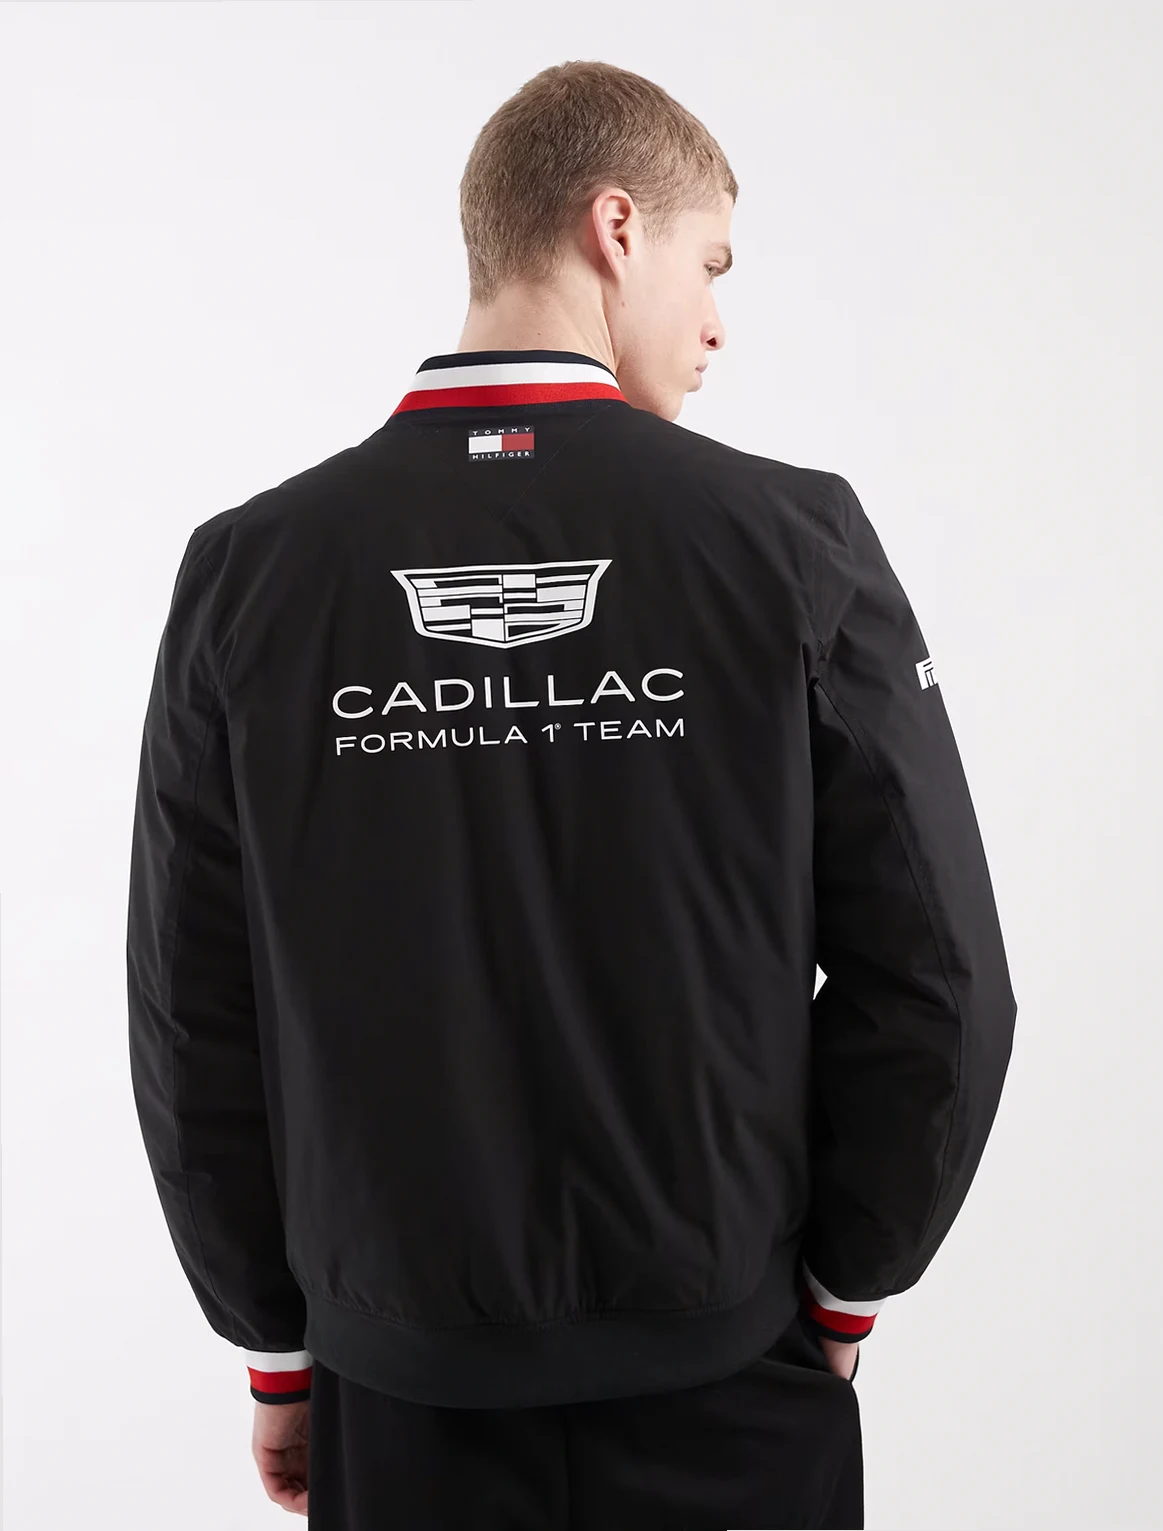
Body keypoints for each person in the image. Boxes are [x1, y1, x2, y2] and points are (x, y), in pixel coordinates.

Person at [126, 59, 1017, 1529]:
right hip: (730, 1378)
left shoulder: (248, 572)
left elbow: (190, 1010)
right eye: (710, 265)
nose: (718, 322)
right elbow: (942, 976)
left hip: (399, 1399)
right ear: (617, 228)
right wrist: (846, 1287)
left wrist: (277, 1345)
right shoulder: (791, 539)